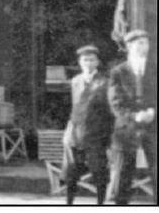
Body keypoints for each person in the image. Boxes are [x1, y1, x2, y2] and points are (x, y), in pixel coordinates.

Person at [107, 29, 157, 206]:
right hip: (127, 127)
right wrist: (134, 116)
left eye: (146, 43)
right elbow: (116, 102)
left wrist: (153, 112)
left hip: (154, 126)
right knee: (123, 171)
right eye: (139, 43)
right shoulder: (118, 72)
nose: (144, 47)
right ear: (129, 46)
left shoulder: (158, 68)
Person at [62, 44, 114, 205]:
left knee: (99, 173)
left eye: (92, 60)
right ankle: (69, 203)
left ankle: (100, 204)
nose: (88, 63)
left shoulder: (105, 82)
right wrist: (68, 132)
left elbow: (110, 112)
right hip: (76, 134)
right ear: (79, 62)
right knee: (71, 173)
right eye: (85, 60)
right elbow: (74, 109)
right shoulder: (75, 81)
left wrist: (108, 138)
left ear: (97, 62)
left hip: (96, 134)